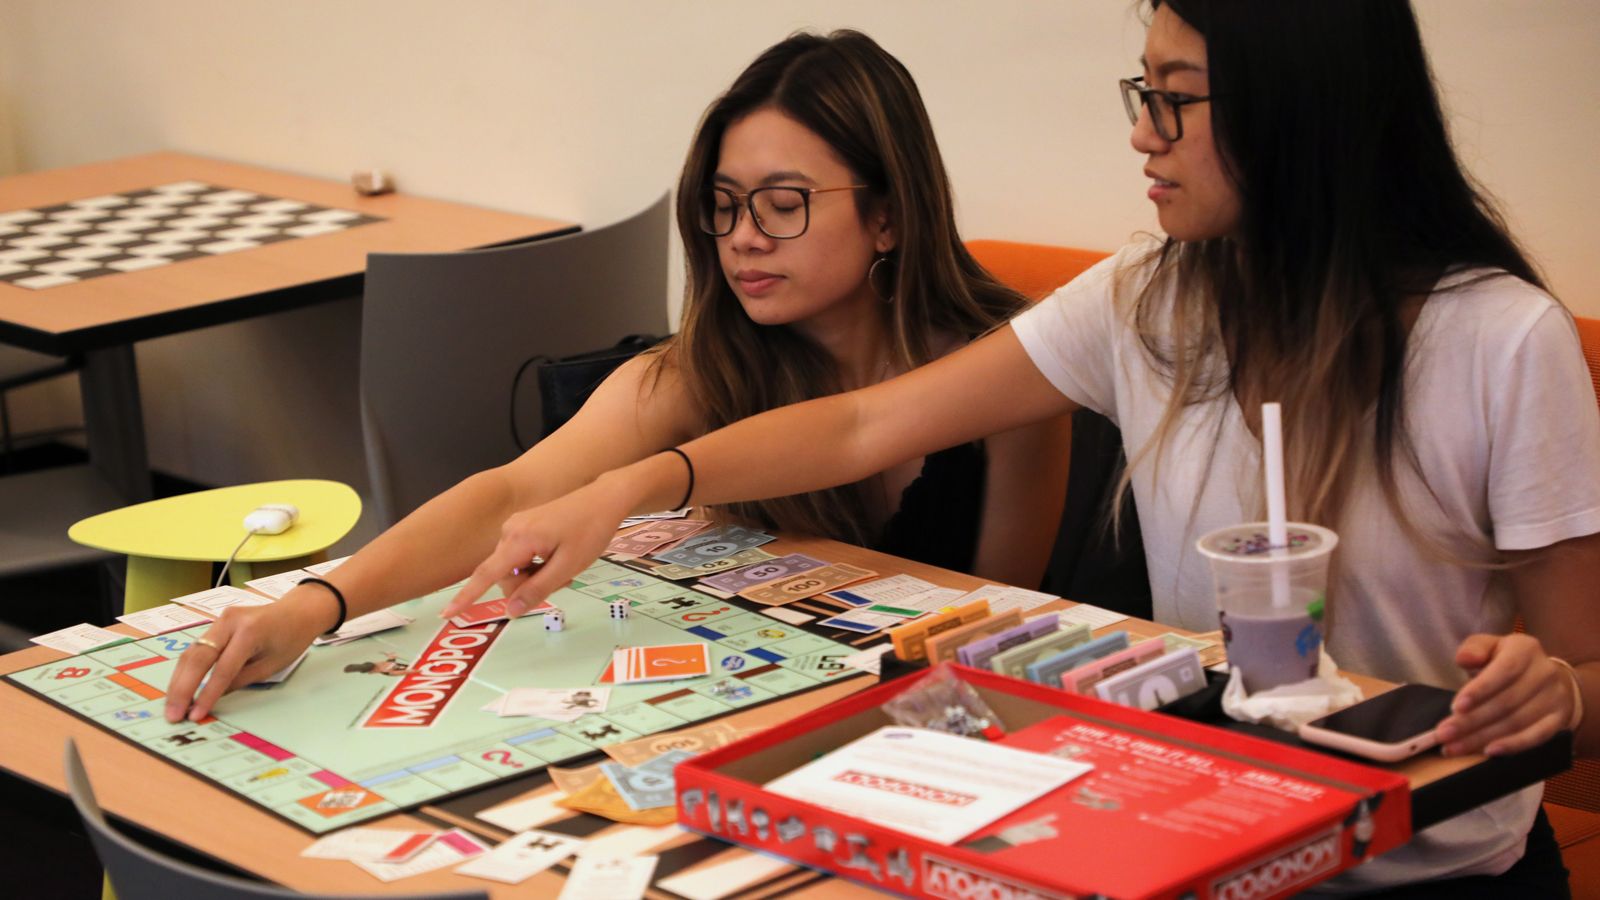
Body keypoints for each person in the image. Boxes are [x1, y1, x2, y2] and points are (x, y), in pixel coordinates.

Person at [445, 2, 1600, 895]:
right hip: (1209, 844)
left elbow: (1588, 684)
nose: (1140, 133)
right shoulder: (1150, 297)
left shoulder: (1501, 342)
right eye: (1139, 91)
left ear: (1299, 112)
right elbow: (864, 422)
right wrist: (638, 484)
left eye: (1176, 100)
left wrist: (1548, 696)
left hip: (1435, 869)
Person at [163, 32, 1070, 717]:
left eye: (784, 205)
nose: (745, 236)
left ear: (888, 217)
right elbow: (510, 493)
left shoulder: (1007, 373)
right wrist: (313, 605)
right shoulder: (703, 366)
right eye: (722, 207)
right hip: (740, 705)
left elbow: (996, 625)